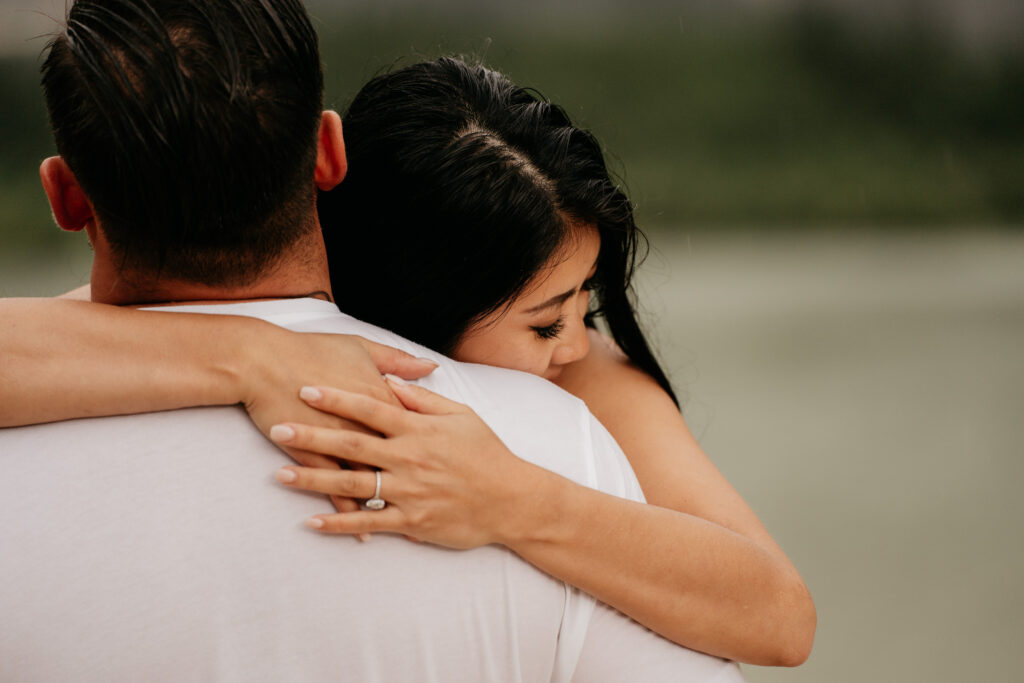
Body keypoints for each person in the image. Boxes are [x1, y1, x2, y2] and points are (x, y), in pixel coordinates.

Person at [0, 1, 748, 680]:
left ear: (65, 195)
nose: (574, 343)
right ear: (328, 150)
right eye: (551, 319)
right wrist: (250, 354)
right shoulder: (535, 442)